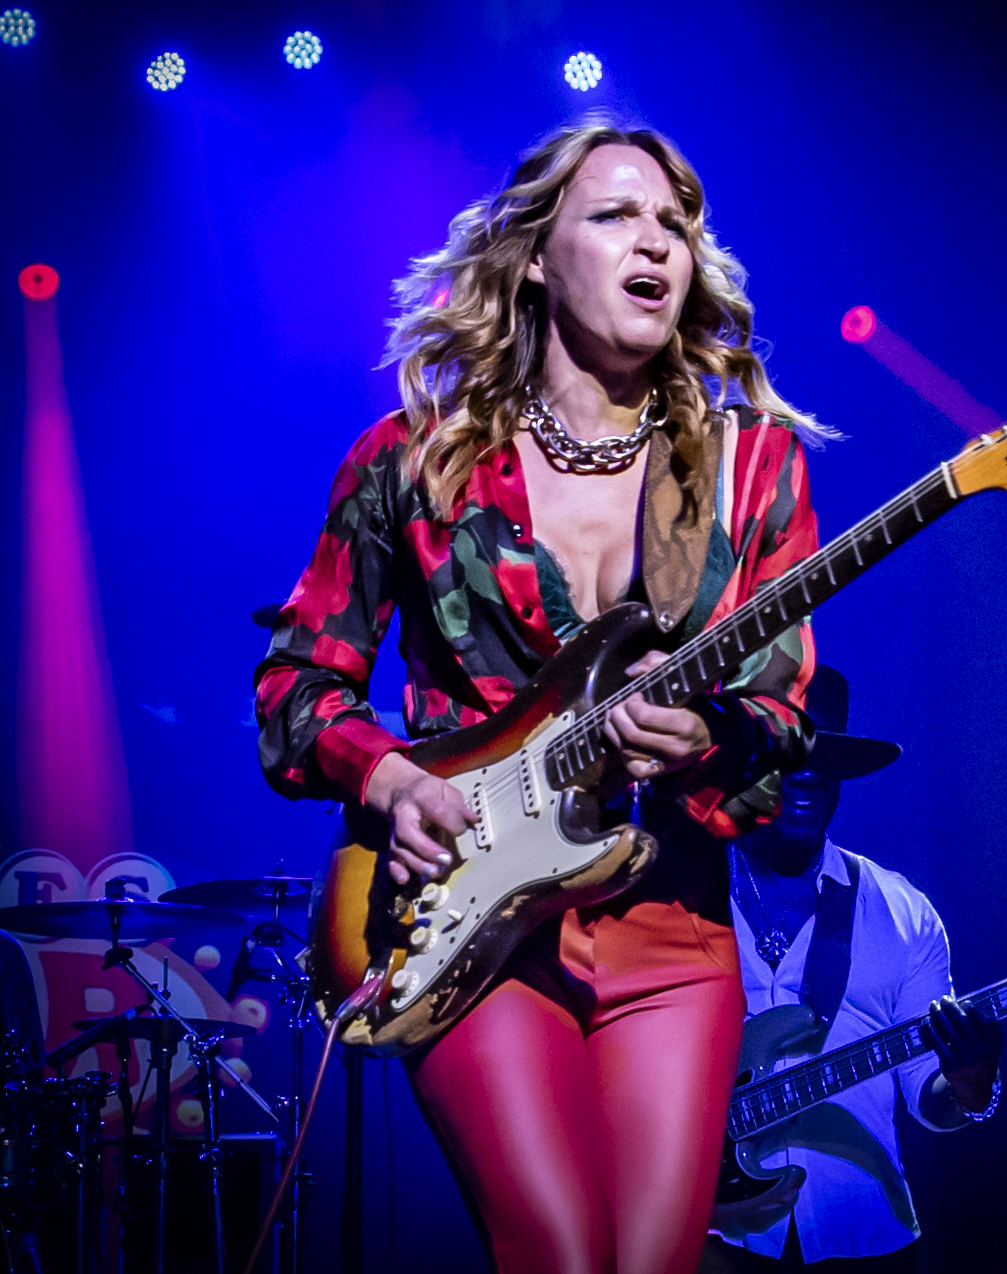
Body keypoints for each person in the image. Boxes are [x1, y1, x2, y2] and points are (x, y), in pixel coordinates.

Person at [255, 121, 827, 1274]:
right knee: (558, 1252)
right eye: (616, 215)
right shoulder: (414, 461)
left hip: (671, 920)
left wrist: (704, 737)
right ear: (533, 255)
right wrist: (392, 774)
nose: (655, 241)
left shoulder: (746, 465)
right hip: (471, 914)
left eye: (675, 223)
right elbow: (295, 682)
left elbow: (781, 714)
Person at [701, 666, 1004, 1273]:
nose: (807, 776)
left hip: (864, 1241)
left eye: (824, 759)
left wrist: (972, 1084)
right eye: (787, 756)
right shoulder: (684, 892)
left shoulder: (905, 914)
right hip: (706, 1236)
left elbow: (932, 1101)